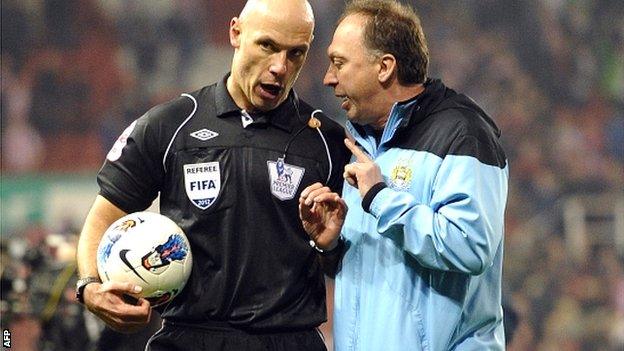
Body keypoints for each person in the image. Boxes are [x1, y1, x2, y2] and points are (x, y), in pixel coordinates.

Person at [75, 1, 350, 350]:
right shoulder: (170, 125)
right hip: (188, 338)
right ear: (235, 32)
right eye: (267, 46)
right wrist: (89, 286)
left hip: (289, 341)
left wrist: (329, 246)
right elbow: (107, 212)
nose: (280, 66)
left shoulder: (325, 142)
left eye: (296, 53)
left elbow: (344, 260)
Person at [299, 0, 509, 350]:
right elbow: (386, 271)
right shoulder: (359, 142)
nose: (328, 78)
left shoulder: (463, 134)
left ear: (384, 67)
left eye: (339, 62)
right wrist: (333, 247)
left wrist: (381, 198)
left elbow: (471, 246)